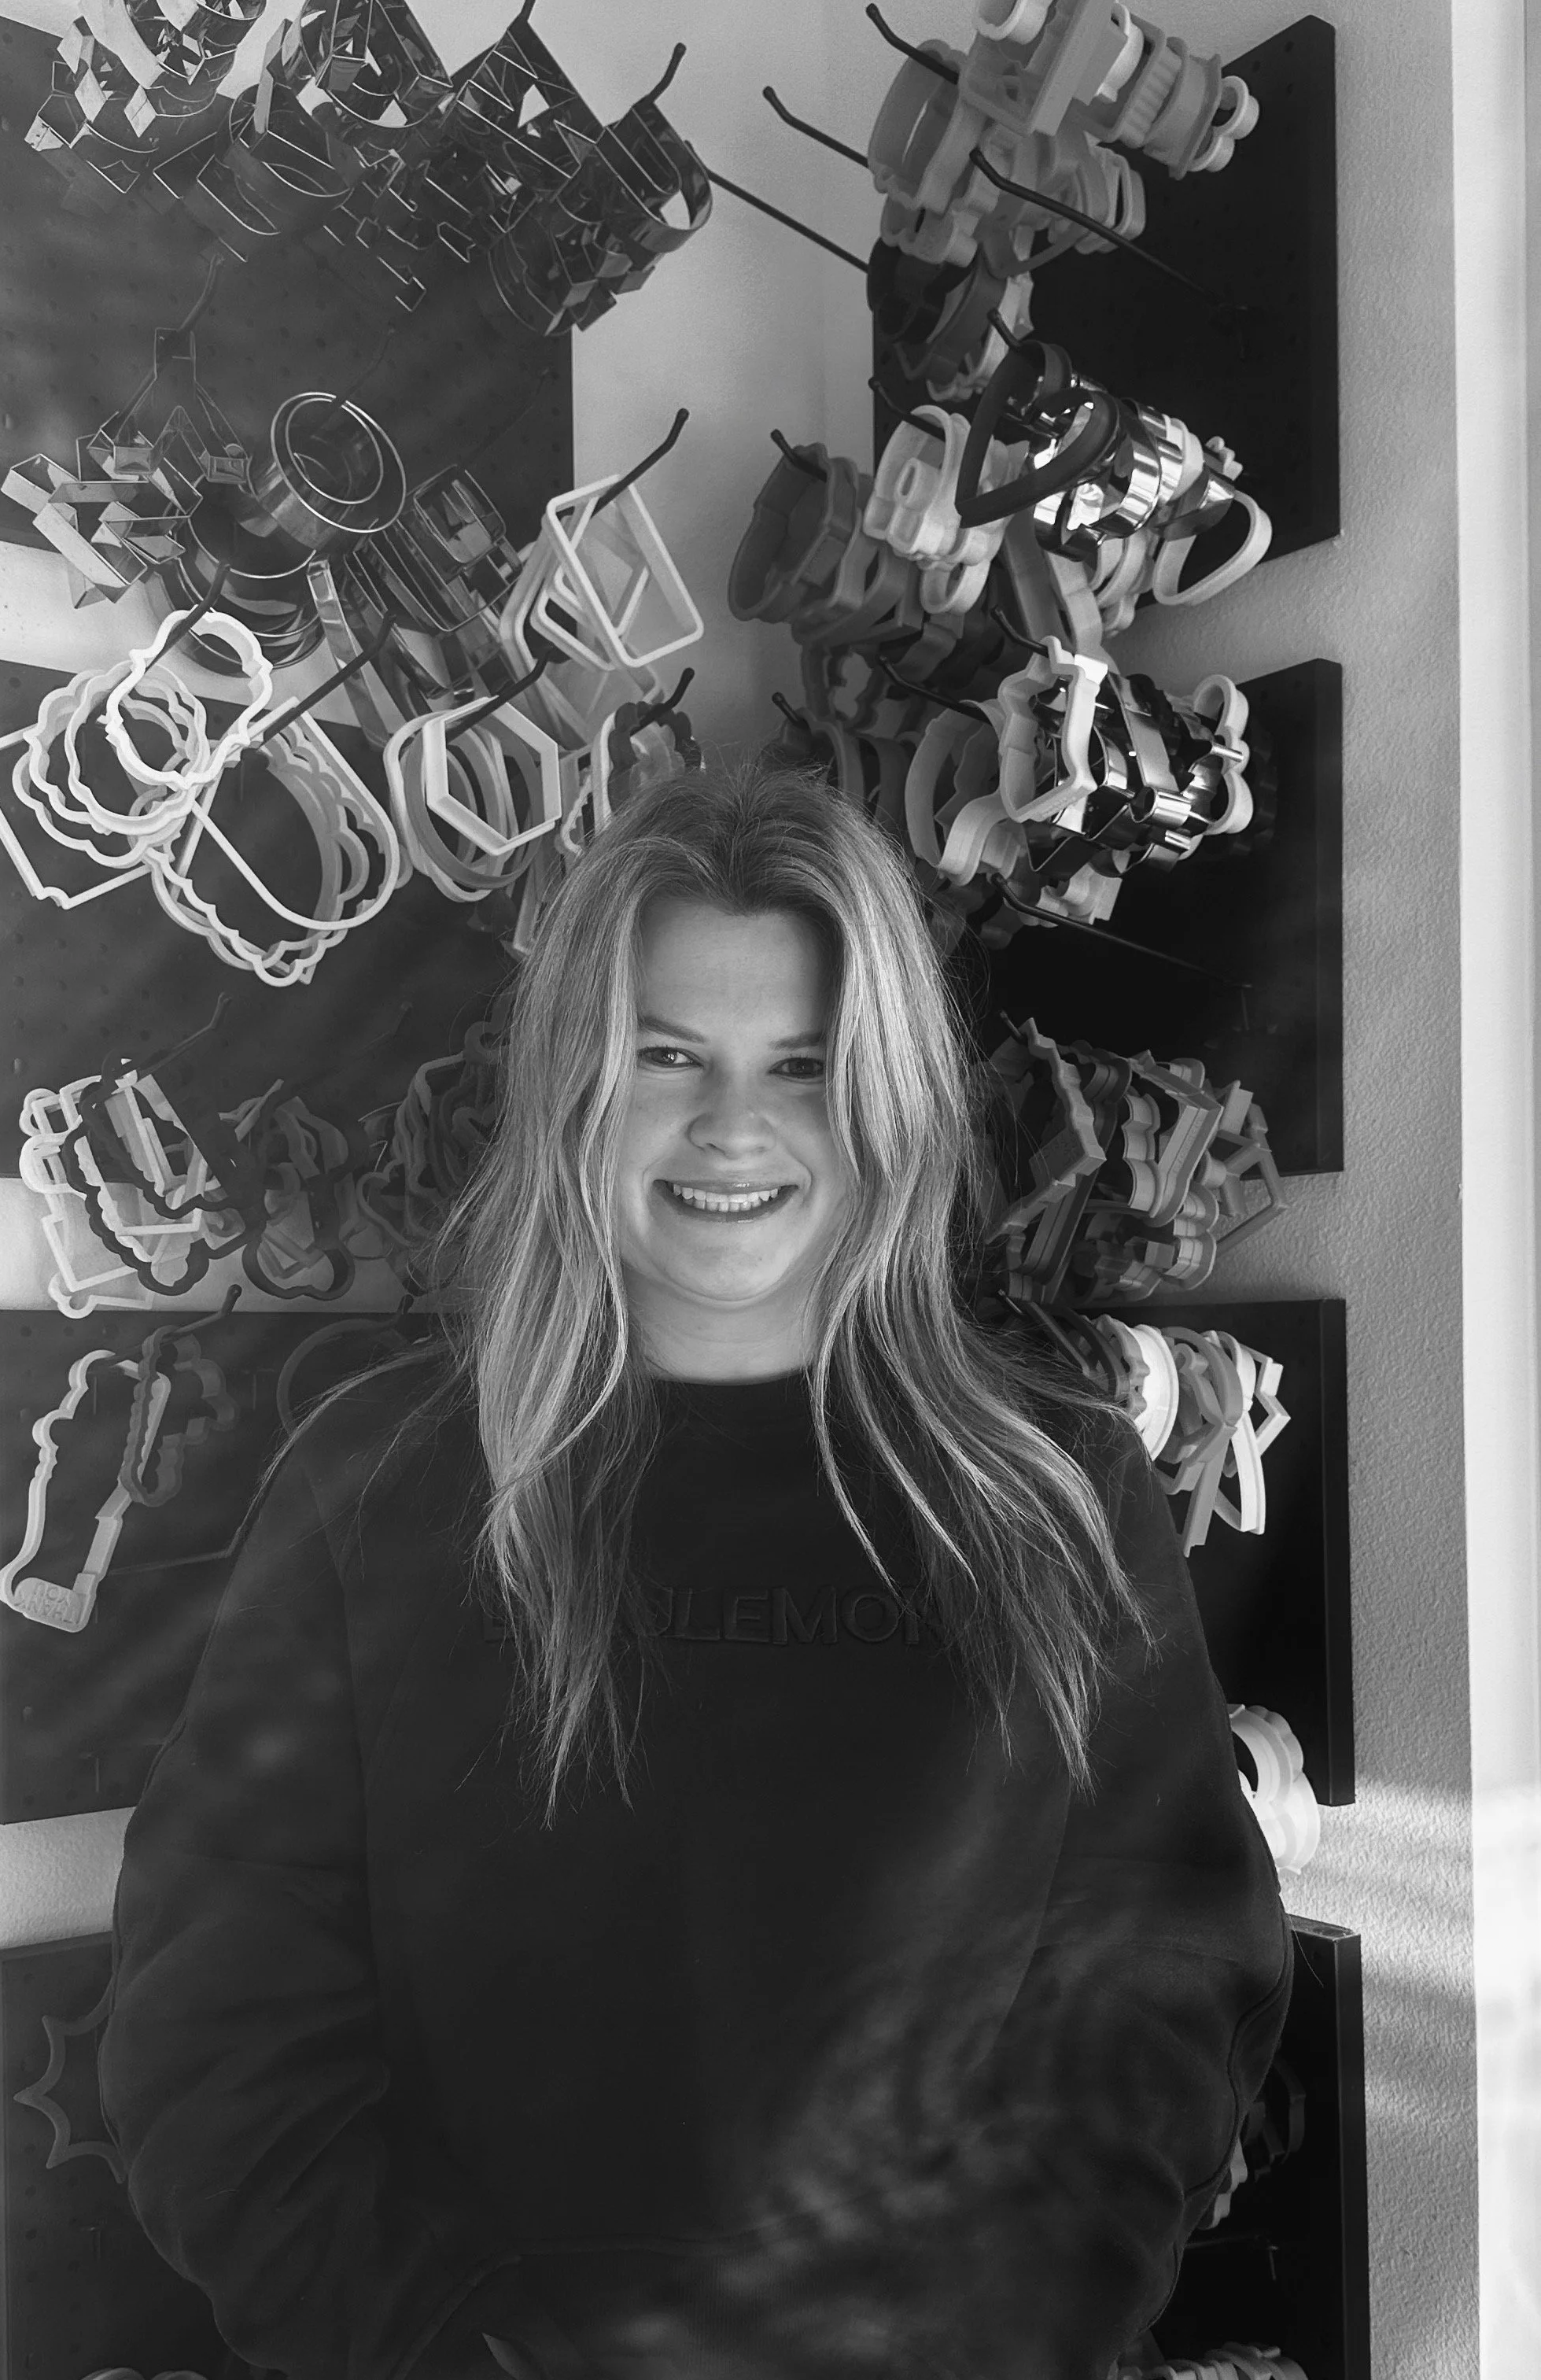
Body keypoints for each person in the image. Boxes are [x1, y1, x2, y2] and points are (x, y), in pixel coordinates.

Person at [98, 754, 1292, 2380]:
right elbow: (217, 2026)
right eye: (667, 1054)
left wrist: (1007, 2328)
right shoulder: (371, 1489)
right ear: (576, 1083)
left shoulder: (1046, 1479)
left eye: (801, 1063)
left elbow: (1163, 1972)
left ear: (883, 1097)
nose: (733, 1125)